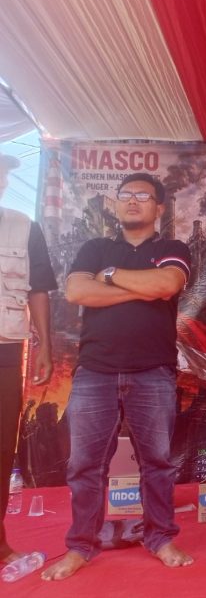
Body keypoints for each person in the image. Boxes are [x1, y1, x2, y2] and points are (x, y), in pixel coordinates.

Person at [42, 173, 193, 580]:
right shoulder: (95, 248)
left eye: (143, 195)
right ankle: (81, 545)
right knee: (85, 466)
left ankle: (160, 537)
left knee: (157, 464)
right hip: (95, 371)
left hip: (153, 371)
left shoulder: (172, 249)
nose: (132, 201)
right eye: (125, 195)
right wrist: (143, 288)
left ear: (159, 207)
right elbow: (77, 292)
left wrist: (107, 276)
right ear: (116, 204)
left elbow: (167, 283)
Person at [0, 153, 56, 565]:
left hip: (6, 348)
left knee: (2, 446)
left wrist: (45, 347)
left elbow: (38, 289)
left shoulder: (23, 226)